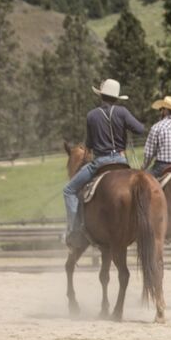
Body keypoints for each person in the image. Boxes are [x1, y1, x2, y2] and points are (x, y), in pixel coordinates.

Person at [62, 79, 145, 248]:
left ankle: (74, 230)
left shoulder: (92, 115)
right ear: (116, 97)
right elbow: (140, 129)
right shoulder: (122, 112)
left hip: (100, 162)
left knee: (69, 190)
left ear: (101, 96)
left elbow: (90, 144)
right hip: (122, 161)